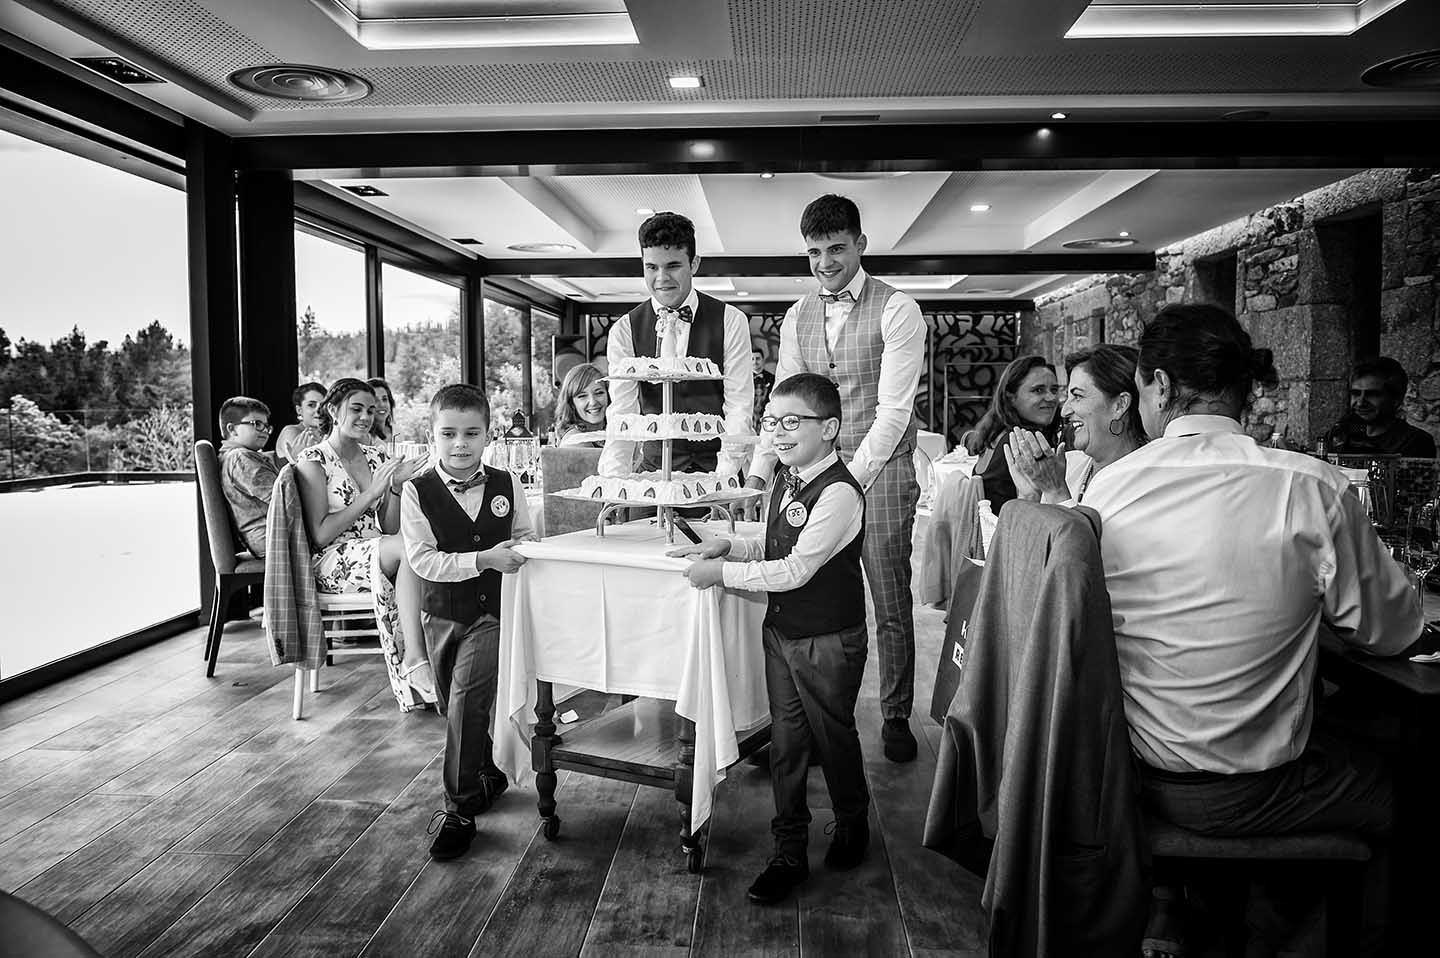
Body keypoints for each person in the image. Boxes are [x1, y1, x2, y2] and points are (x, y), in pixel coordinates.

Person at [1080, 304, 1422, 958]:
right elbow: (1391, 632)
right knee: (1404, 784)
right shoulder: (1309, 485)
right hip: (1242, 791)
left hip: (1127, 773)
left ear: (1155, 386)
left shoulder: (1107, 493)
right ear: (1244, 390)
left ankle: (1227, 915)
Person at [670, 373, 869, 904]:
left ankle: (853, 824)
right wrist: (726, 548)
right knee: (786, 745)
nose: (777, 433)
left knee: (834, 738)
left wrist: (723, 577)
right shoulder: (787, 478)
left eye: (791, 422)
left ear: (828, 428)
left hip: (829, 639)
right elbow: (772, 548)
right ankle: (788, 850)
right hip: (781, 633)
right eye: (770, 422)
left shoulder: (840, 493)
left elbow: (797, 569)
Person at [747, 194, 926, 763]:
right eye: (815, 252)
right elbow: (783, 406)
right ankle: (823, 721)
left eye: (836, 249)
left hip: (884, 468)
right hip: (810, 468)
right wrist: (759, 472)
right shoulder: (798, 315)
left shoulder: (899, 309)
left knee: (889, 596)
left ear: (860, 245)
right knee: (815, 595)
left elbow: (894, 410)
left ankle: (896, 713)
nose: (825, 262)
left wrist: (847, 480)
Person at [401, 384, 535, 861]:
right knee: (451, 705)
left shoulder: (507, 483)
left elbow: (523, 537)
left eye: (472, 433)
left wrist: (515, 553)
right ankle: (485, 775)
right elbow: (422, 561)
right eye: (449, 434)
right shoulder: (416, 491)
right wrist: (484, 558)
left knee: (465, 700)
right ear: (431, 436)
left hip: (493, 613)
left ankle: (457, 811)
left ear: (488, 434)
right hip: (442, 615)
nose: (461, 444)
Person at [294, 378, 435, 712]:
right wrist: (371, 493)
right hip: (332, 562)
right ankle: (416, 660)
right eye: (356, 408)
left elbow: (388, 526)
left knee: (421, 545)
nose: (365, 417)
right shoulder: (312, 461)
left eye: (371, 410)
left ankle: (437, 661)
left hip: (377, 549)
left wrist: (396, 488)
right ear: (332, 409)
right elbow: (321, 534)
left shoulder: (376, 456)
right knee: (409, 548)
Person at [597, 211, 754, 477]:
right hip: (652, 475)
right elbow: (623, 414)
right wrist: (615, 483)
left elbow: (738, 407)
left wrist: (724, 478)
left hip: (715, 469)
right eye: (652, 267)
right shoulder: (624, 329)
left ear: (694, 264)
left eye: (672, 266)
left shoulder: (730, 320)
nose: (661, 278)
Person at [1002, 344, 1146, 505]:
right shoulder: (1066, 465)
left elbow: (1085, 530)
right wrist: (1030, 498)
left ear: (1119, 405)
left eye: (1078, 396)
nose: (1064, 411)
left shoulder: (1148, 483)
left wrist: (1056, 491)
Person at [960, 355, 1059, 512]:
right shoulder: (1025, 438)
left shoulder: (997, 432)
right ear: (1011, 397)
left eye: (1054, 390)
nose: (1051, 397)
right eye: (1038, 390)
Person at [1325, 356, 1436, 457]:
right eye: (1356, 393)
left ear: (1396, 399)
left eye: (1372, 394)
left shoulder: (1415, 442)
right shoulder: (1339, 434)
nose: (1360, 403)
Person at [216, 396, 279, 558]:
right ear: (232, 429)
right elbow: (284, 498)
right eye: (256, 424)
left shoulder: (234, 456)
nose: (265, 430)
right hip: (273, 538)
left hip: (270, 536)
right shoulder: (241, 458)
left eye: (266, 426)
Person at [551, 362, 609, 446]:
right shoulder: (577, 441)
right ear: (571, 403)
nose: (593, 402)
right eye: (582, 396)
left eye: (599, 393)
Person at [277, 381, 327, 463]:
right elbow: (302, 465)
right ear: (299, 410)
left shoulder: (327, 434)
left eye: (323, 405)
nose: (319, 410)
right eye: (311, 405)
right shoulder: (291, 431)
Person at [367, 376, 397, 453]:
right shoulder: (365, 437)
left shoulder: (397, 432)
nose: (382, 405)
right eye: (375, 400)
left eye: (385, 399)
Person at [752, 344, 775, 434]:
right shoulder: (745, 379)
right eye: (752, 359)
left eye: (757, 358)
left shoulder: (772, 378)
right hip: (750, 418)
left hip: (765, 417)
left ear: (763, 360)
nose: (755, 362)